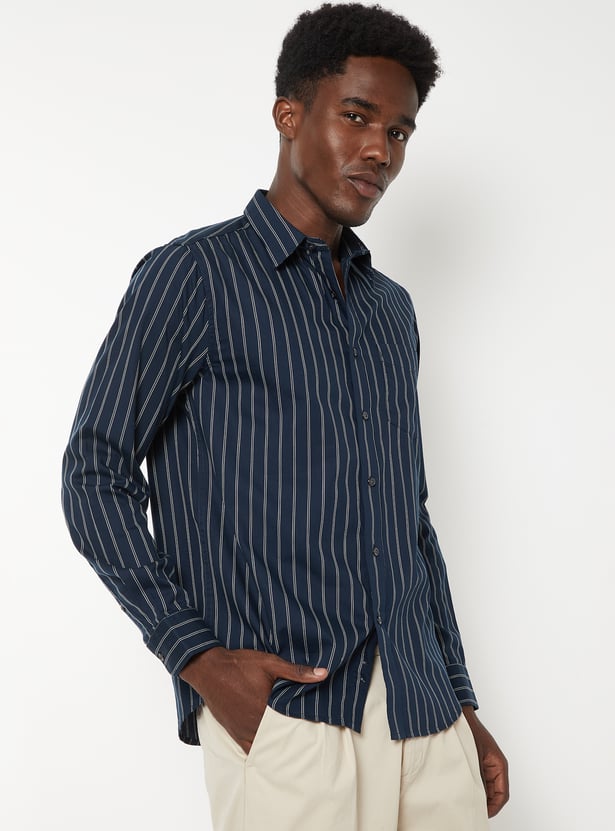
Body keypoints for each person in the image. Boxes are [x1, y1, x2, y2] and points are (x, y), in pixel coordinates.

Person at [62, 3, 509, 829]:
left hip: (425, 717)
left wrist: (458, 700)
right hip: (292, 716)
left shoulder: (390, 311)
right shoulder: (193, 276)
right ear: (289, 114)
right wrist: (197, 658)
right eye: (356, 116)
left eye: (399, 132)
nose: (379, 150)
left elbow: (405, 516)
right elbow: (95, 473)